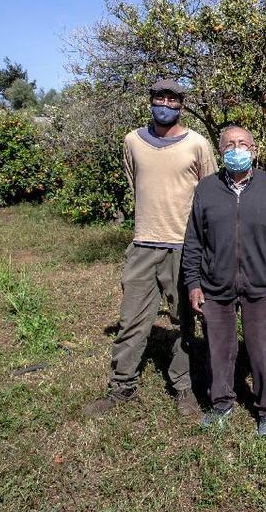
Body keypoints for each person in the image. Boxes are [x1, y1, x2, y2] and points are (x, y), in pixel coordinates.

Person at [83, 79, 218, 419]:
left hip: (183, 247)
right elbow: (136, 182)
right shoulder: (132, 141)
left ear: (181, 106)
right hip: (143, 244)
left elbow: (210, 194)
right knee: (131, 320)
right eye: (160, 98)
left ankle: (183, 387)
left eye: (172, 100)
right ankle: (122, 387)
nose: (165, 105)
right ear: (151, 101)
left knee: (183, 323)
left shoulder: (198, 144)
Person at [182, 125, 266, 437]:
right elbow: (194, 240)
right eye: (230, 144)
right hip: (215, 283)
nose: (237, 149)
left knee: (263, 351)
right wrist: (193, 282)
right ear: (220, 151)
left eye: (243, 144)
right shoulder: (206, 188)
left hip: (262, 284)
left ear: (254, 150)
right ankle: (221, 404)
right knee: (219, 349)